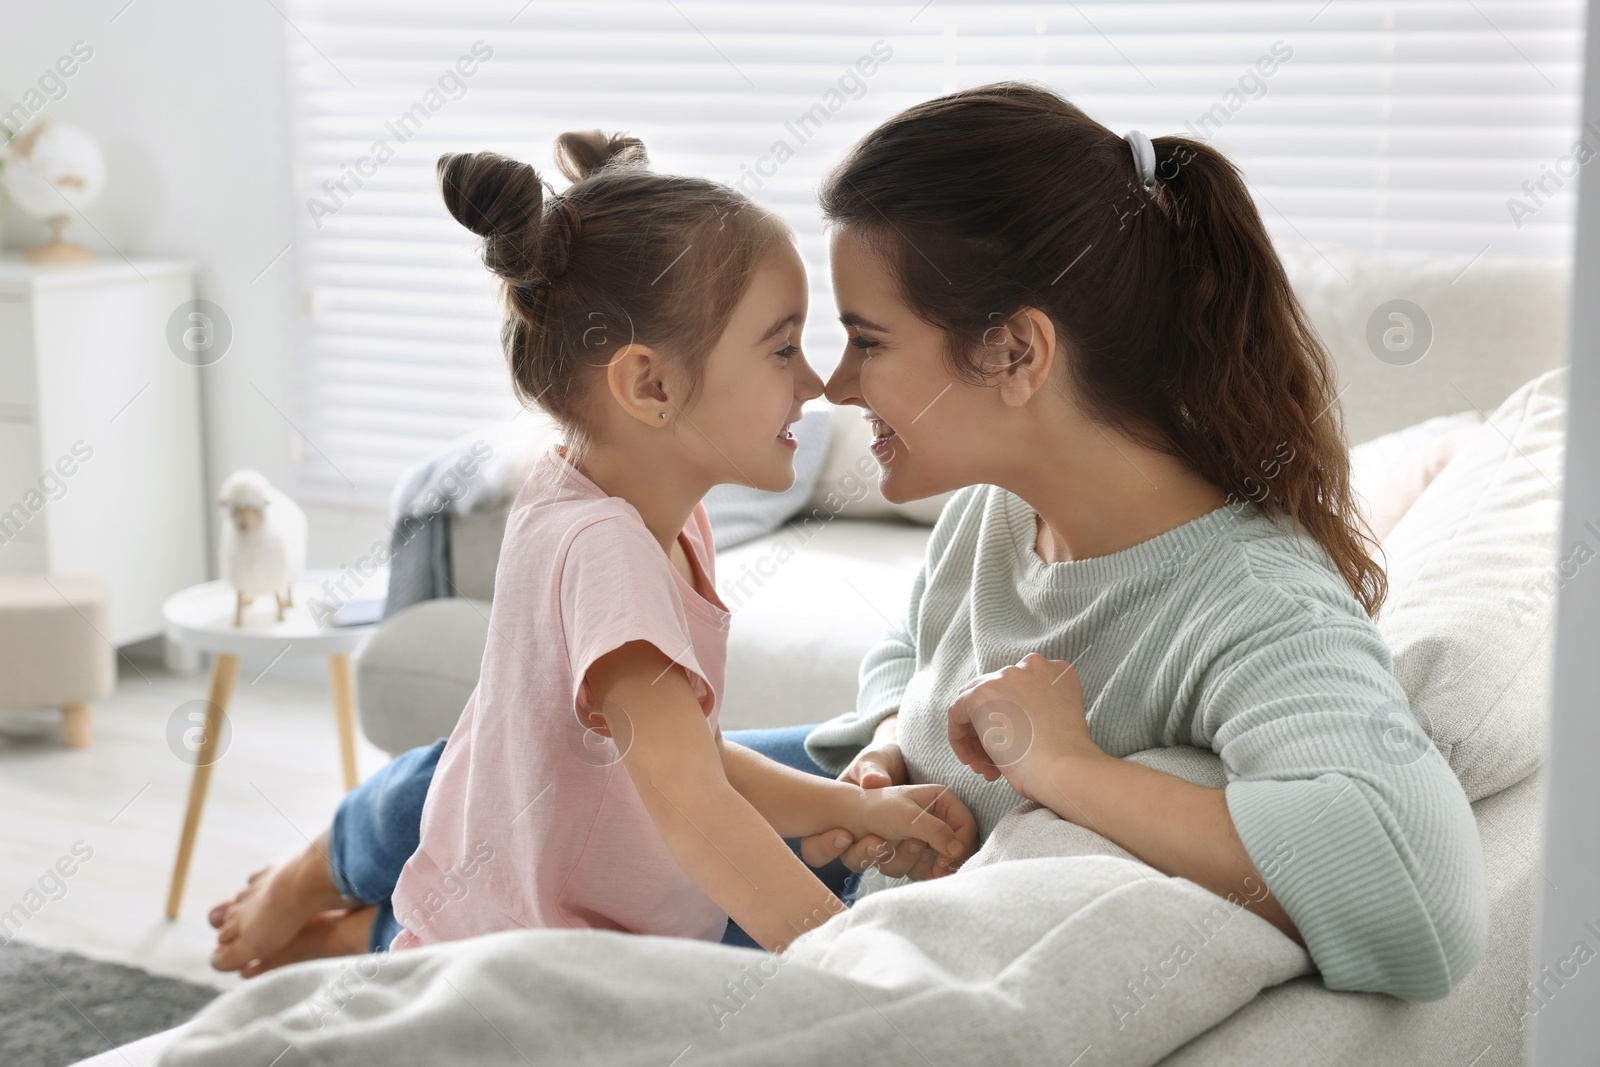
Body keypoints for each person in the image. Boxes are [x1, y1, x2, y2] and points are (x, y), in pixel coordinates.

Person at [213, 83, 1488, 1001]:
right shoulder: (1000, 507)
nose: (827, 382)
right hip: (861, 819)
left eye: (865, 338)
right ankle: (323, 879)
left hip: (825, 896)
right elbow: (911, 655)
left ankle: (366, 926)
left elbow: (1421, 907)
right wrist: (883, 745)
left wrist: (1067, 769)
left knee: (550, 788)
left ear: (1015, 353)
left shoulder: (1252, 603)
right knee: (504, 755)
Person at [207, 129, 977, 973]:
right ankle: (356, 935)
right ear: (650, 386)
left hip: (523, 895)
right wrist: (854, 969)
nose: (815, 382)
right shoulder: (609, 550)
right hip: (534, 962)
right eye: (782, 347)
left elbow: (691, 754)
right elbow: (697, 811)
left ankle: (360, 937)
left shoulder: (623, 500)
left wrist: (854, 810)